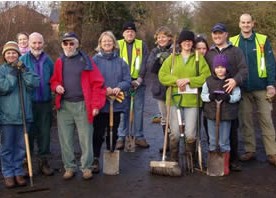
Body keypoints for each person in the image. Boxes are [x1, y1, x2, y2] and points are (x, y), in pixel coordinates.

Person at [50, 32, 106, 180]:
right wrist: (56, 87)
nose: (68, 46)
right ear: (62, 45)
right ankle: (69, 167)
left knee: (86, 138)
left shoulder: (86, 61)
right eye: (65, 43)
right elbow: (54, 81)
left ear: (77, 44)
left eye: (71, 43)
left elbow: (97, 84)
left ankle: (86, 168)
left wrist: (96, 105)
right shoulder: (59, 62)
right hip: (64, 106)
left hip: (83, 105)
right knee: (65, 139)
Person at [229, 13, 276, 166]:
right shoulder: (232, 41)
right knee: (245, 121)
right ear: (239, 24)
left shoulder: (262, 40)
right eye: (243, 22)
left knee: (266, 120)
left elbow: (270, 63)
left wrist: (271, 84)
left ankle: (272, 153)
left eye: (248, 22)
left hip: (262, 87)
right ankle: (250, 150)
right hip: (242, 88)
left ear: (253, 24)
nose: (246, 25)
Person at [158, 29, 211, 162]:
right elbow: (162, 75)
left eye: (189, 41)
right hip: (175, 99)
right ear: (180, 43)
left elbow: (206, 76)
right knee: (174, 133)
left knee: (190, 134)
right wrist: (176, 81)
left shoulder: (199, 58)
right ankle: (174, 159)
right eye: (184, 41)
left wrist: (189, 80)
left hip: (192, 100)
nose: (187, 43)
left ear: (192, 43)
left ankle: (190, 160)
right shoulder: (173, 58)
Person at [205, 22, 248, 171]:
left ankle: (233, 160)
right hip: (213, 99)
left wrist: (235, 80)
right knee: (212, 128)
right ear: (212, 35)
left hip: (230, 97)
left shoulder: (236, 51)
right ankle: (214, 158)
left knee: (231, 128)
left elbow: (244, 70)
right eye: (215, 33)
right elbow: (205, 73)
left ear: (226, 34)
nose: (217, 36)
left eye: (220, 33)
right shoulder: (209, 53)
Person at [0, 41, 39, 188]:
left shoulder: (25, 68)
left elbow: (34, 83)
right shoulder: (2, 70)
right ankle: (8, 174)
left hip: (24, 116)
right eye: (8, 53)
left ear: (18, 54)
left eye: (14, 52)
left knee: (21, 147)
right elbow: (4, 88)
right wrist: (12, 75)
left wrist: (23, 71)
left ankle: (18, 172)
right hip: (7, 117)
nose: (11, 55)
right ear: (4, 55)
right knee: (7, 147)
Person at [91, 31, 131, 173]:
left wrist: (118, 87)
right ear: (100, 43)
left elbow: (127, 80)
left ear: (114, 43)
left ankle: (111, 152)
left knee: (113, 131)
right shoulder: (94, 61)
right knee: (98, 132)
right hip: (101, 103)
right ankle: (95, 158)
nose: (107, 43)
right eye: (104, 41)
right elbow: (91, 80)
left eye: (110, 41)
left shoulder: (121, 62)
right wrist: (104, 89)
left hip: (116, 103)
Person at [20, 32, 54, 176]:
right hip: (28, 102)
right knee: (29, 132)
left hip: (45, 103)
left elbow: (54, 79)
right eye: (34, 43)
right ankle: (26, 163)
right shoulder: (22, 60)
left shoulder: (48, 61)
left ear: (43, 43)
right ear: (28, 43)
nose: (37, 46)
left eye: (39, 43)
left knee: (45, 133)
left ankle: (43, 162)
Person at [201, 54, 241, 175]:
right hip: (211, 114)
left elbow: (237, 96)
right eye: (217, 67)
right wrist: (210, 97)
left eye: (222, 67)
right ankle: (213, 164)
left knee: (224, 141)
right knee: (213, 140)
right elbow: (203, 96)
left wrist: (229, 97)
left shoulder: (231, 81)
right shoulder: (208, 81)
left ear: (226, 68)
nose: (220, 69)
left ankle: (224, 165)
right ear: (214, 68)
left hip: (226, 115)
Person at [116, 21, 149, 149]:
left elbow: (145, 63)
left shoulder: (142, 45)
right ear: (123, 33)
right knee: (123, 110)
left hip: (138, 83)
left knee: (138, 110)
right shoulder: (117, 45)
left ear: (135, 33)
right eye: (127, 31)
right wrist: (123, 83)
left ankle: (139, 136)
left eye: (132, 31)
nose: (129, 33)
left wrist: (139, 80)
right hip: (123, 84)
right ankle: (121, 137)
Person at [146, 26, 173, 153]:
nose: (161, 39)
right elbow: (151, 67)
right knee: (164, 117)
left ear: (169, 38)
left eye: (164, 36)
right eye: (159, 37)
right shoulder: (154, 51)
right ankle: (166, 143)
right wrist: (159, 58)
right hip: (160, 89)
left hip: (174, 88)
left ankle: (175, 144)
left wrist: (168, 56)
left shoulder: (175, 49)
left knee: (176, 118)